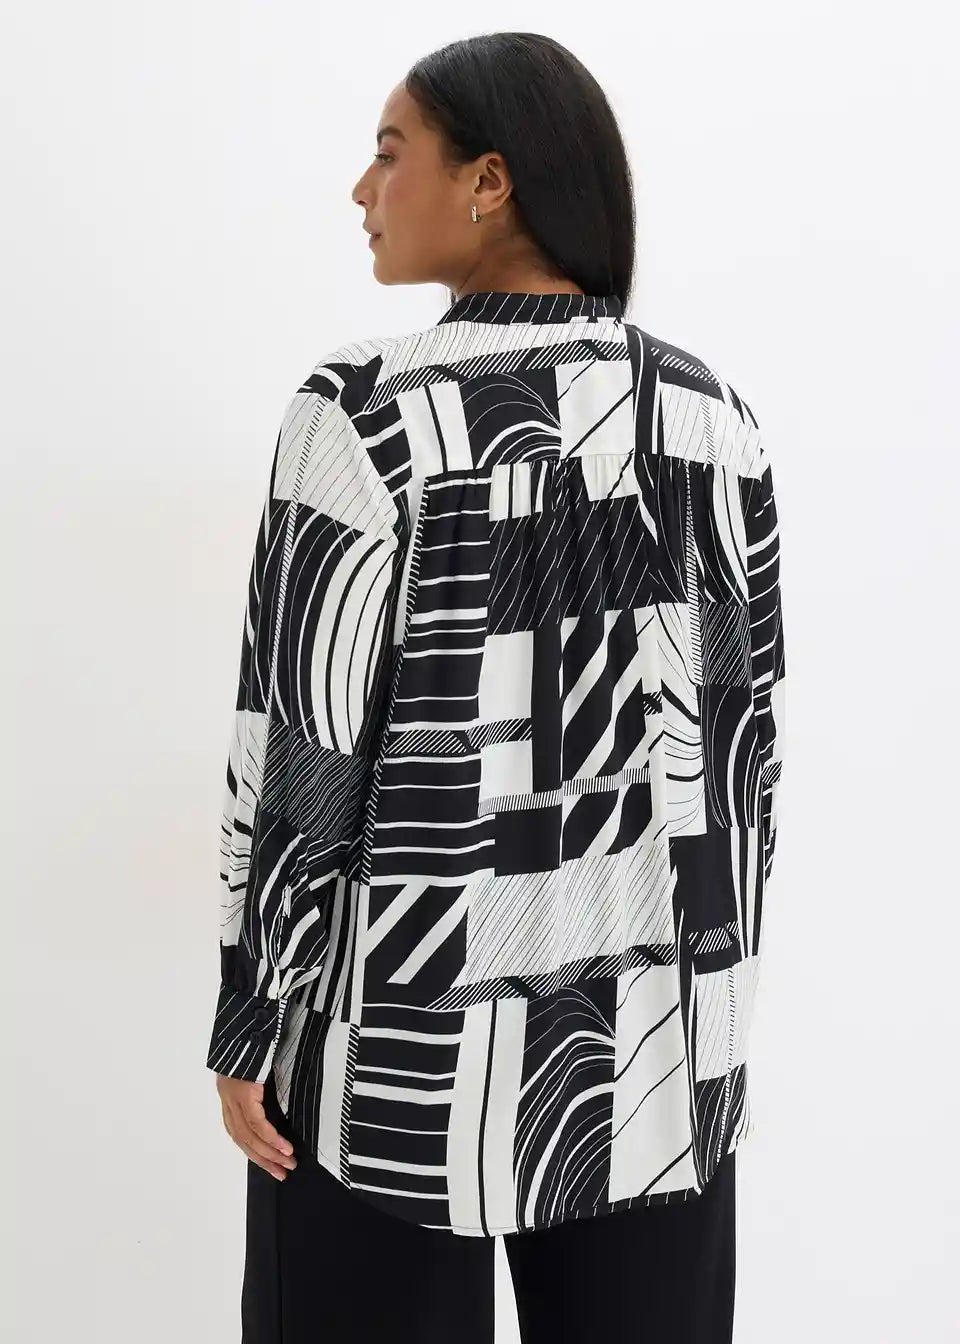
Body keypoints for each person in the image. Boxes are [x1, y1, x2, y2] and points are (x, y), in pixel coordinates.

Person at [205, 29, 785, 1344]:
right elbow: (743, 760)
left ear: (489, 181)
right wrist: (712, 1032)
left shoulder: (365, 413)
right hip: (652, 1059)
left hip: (394, 1063)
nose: (363, 189)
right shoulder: (713, 418)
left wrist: (252, 1014)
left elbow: (305, 750)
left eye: (390, 152)